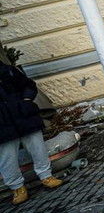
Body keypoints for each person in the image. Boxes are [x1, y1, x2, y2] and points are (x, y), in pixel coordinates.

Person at [1, 62, 63, 205]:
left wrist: (26, 100)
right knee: (6, 157)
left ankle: (46, 176)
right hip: (3, 125)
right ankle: (17, 188)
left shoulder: (7, 70)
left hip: (24, 116)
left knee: (38, 147)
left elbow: (28, 85)